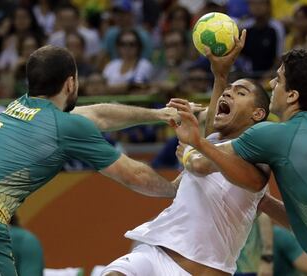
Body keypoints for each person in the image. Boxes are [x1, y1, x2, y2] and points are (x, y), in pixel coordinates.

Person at [168, 48, 307, 275]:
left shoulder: (278, 134)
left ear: (292, 95)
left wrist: (191, 145)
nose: (270, 84)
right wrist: (263, 202)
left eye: (278, 79)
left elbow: (201, 163)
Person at [0, 45, 186, 274]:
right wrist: (175, 189)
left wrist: (158, 115)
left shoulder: (19, 106)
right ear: (71, 83)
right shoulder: (64, 126)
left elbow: (98, 114)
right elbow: (134, 175)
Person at [102, 30, 271, 276]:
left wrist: (194, 151)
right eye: (228, 91)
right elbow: (212, 134)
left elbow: (209, 162)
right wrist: (220, 75)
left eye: (240, 93)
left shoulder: (259, 151)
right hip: (154, 254)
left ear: (257, 114)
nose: (227, 93)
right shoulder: (213, 141)